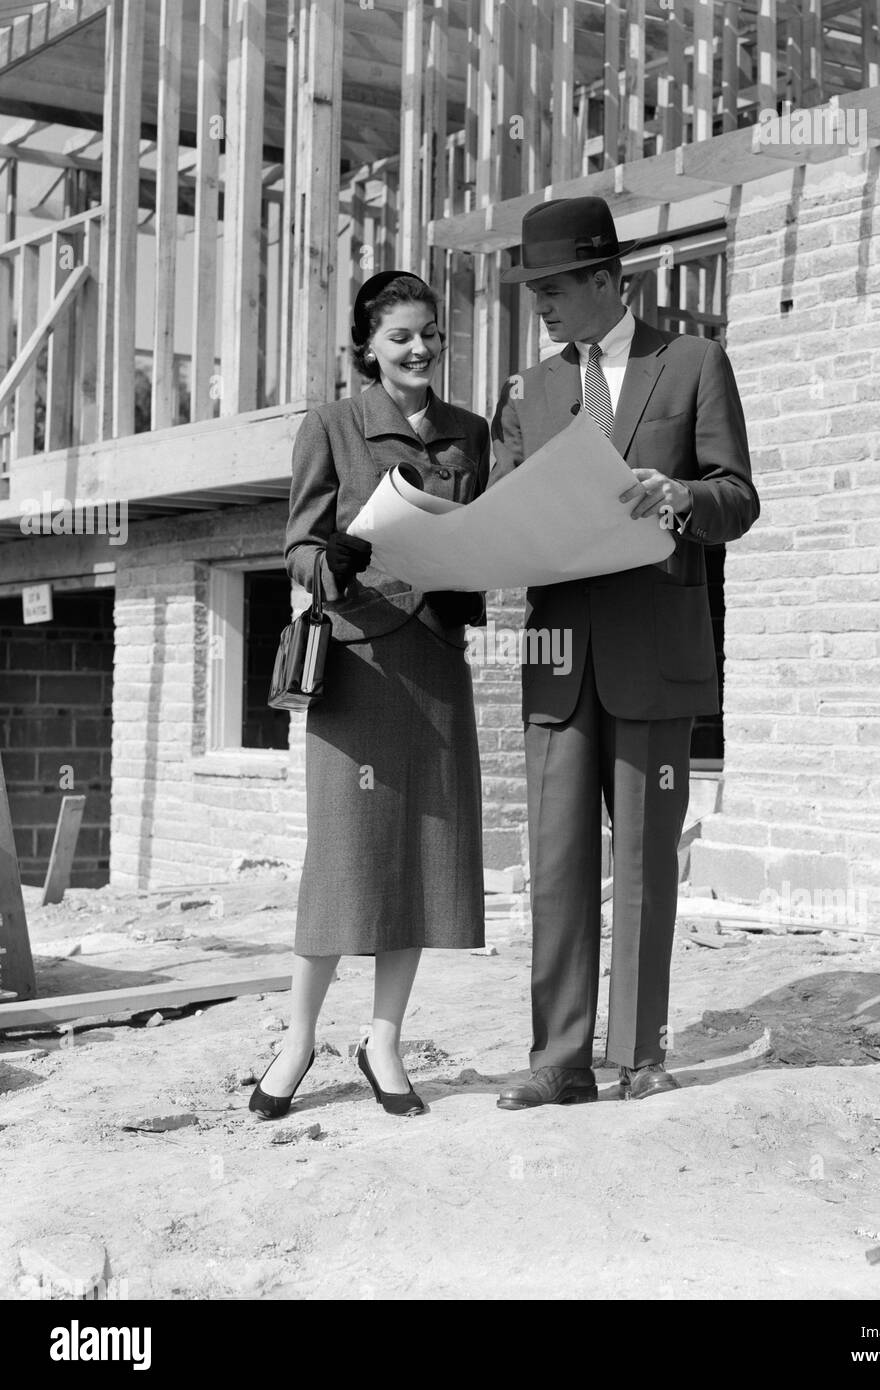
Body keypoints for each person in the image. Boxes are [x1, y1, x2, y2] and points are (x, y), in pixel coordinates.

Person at [489, 197, 759, 1109]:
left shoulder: (691, 364)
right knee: (559, 861)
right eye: (536, 295)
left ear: (609, 279)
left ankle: (640, 1054)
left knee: (644, 859)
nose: (545, 309)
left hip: (656, 649)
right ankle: (558, 1061)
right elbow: (500, 512)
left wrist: (678, 493)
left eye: (558, 289)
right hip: (559, 658)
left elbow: (739, 499)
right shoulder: (529, 391)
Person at [250, 271, 488, 1120]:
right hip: (358, 666)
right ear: (368, 350)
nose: (419, 348)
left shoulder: (470, 434)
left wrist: (473, 588)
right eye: (400, 337)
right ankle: (299, 1038)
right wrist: (330, 561)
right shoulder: (334, 425)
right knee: (343, 858)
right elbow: (298, 546)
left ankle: (383, 1040)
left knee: (419, 861)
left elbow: (479, 534)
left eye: (429, 333)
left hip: (433, 665)